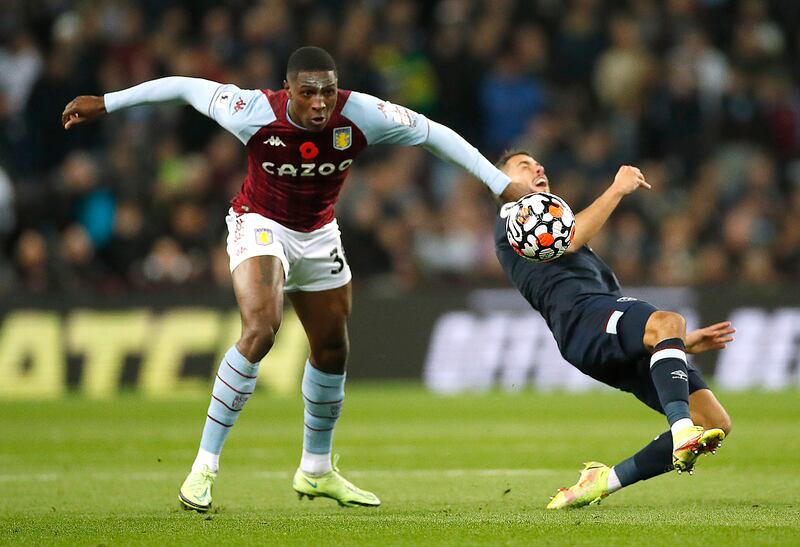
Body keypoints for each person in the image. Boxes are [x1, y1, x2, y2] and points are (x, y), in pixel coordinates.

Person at [62, 46, 530, 512]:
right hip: (259, 223)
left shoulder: (361, 112)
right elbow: (185, 87)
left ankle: (317, 469)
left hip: (319, 234)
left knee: (331, 347)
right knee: (261, 327)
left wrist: (497, 183)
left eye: (327, 91)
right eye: (308, 93)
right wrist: (108, 101)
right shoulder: (252, 110)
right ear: (288, 91)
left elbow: (433, 134)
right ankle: (204, 467)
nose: (321, 103)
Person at [493, 151, 734, 509]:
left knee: (713, 421)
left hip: (594, 328)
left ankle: (604, 480)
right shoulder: (515, 215)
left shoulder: (543, 219)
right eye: (523, 166)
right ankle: (681, 430)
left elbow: (571, 240)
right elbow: (569, 239)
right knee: (669, 322)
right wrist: (617, 189)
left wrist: (681, 343)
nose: (537, 167)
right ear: (501, 185)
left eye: (537, 163)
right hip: (584, 317)